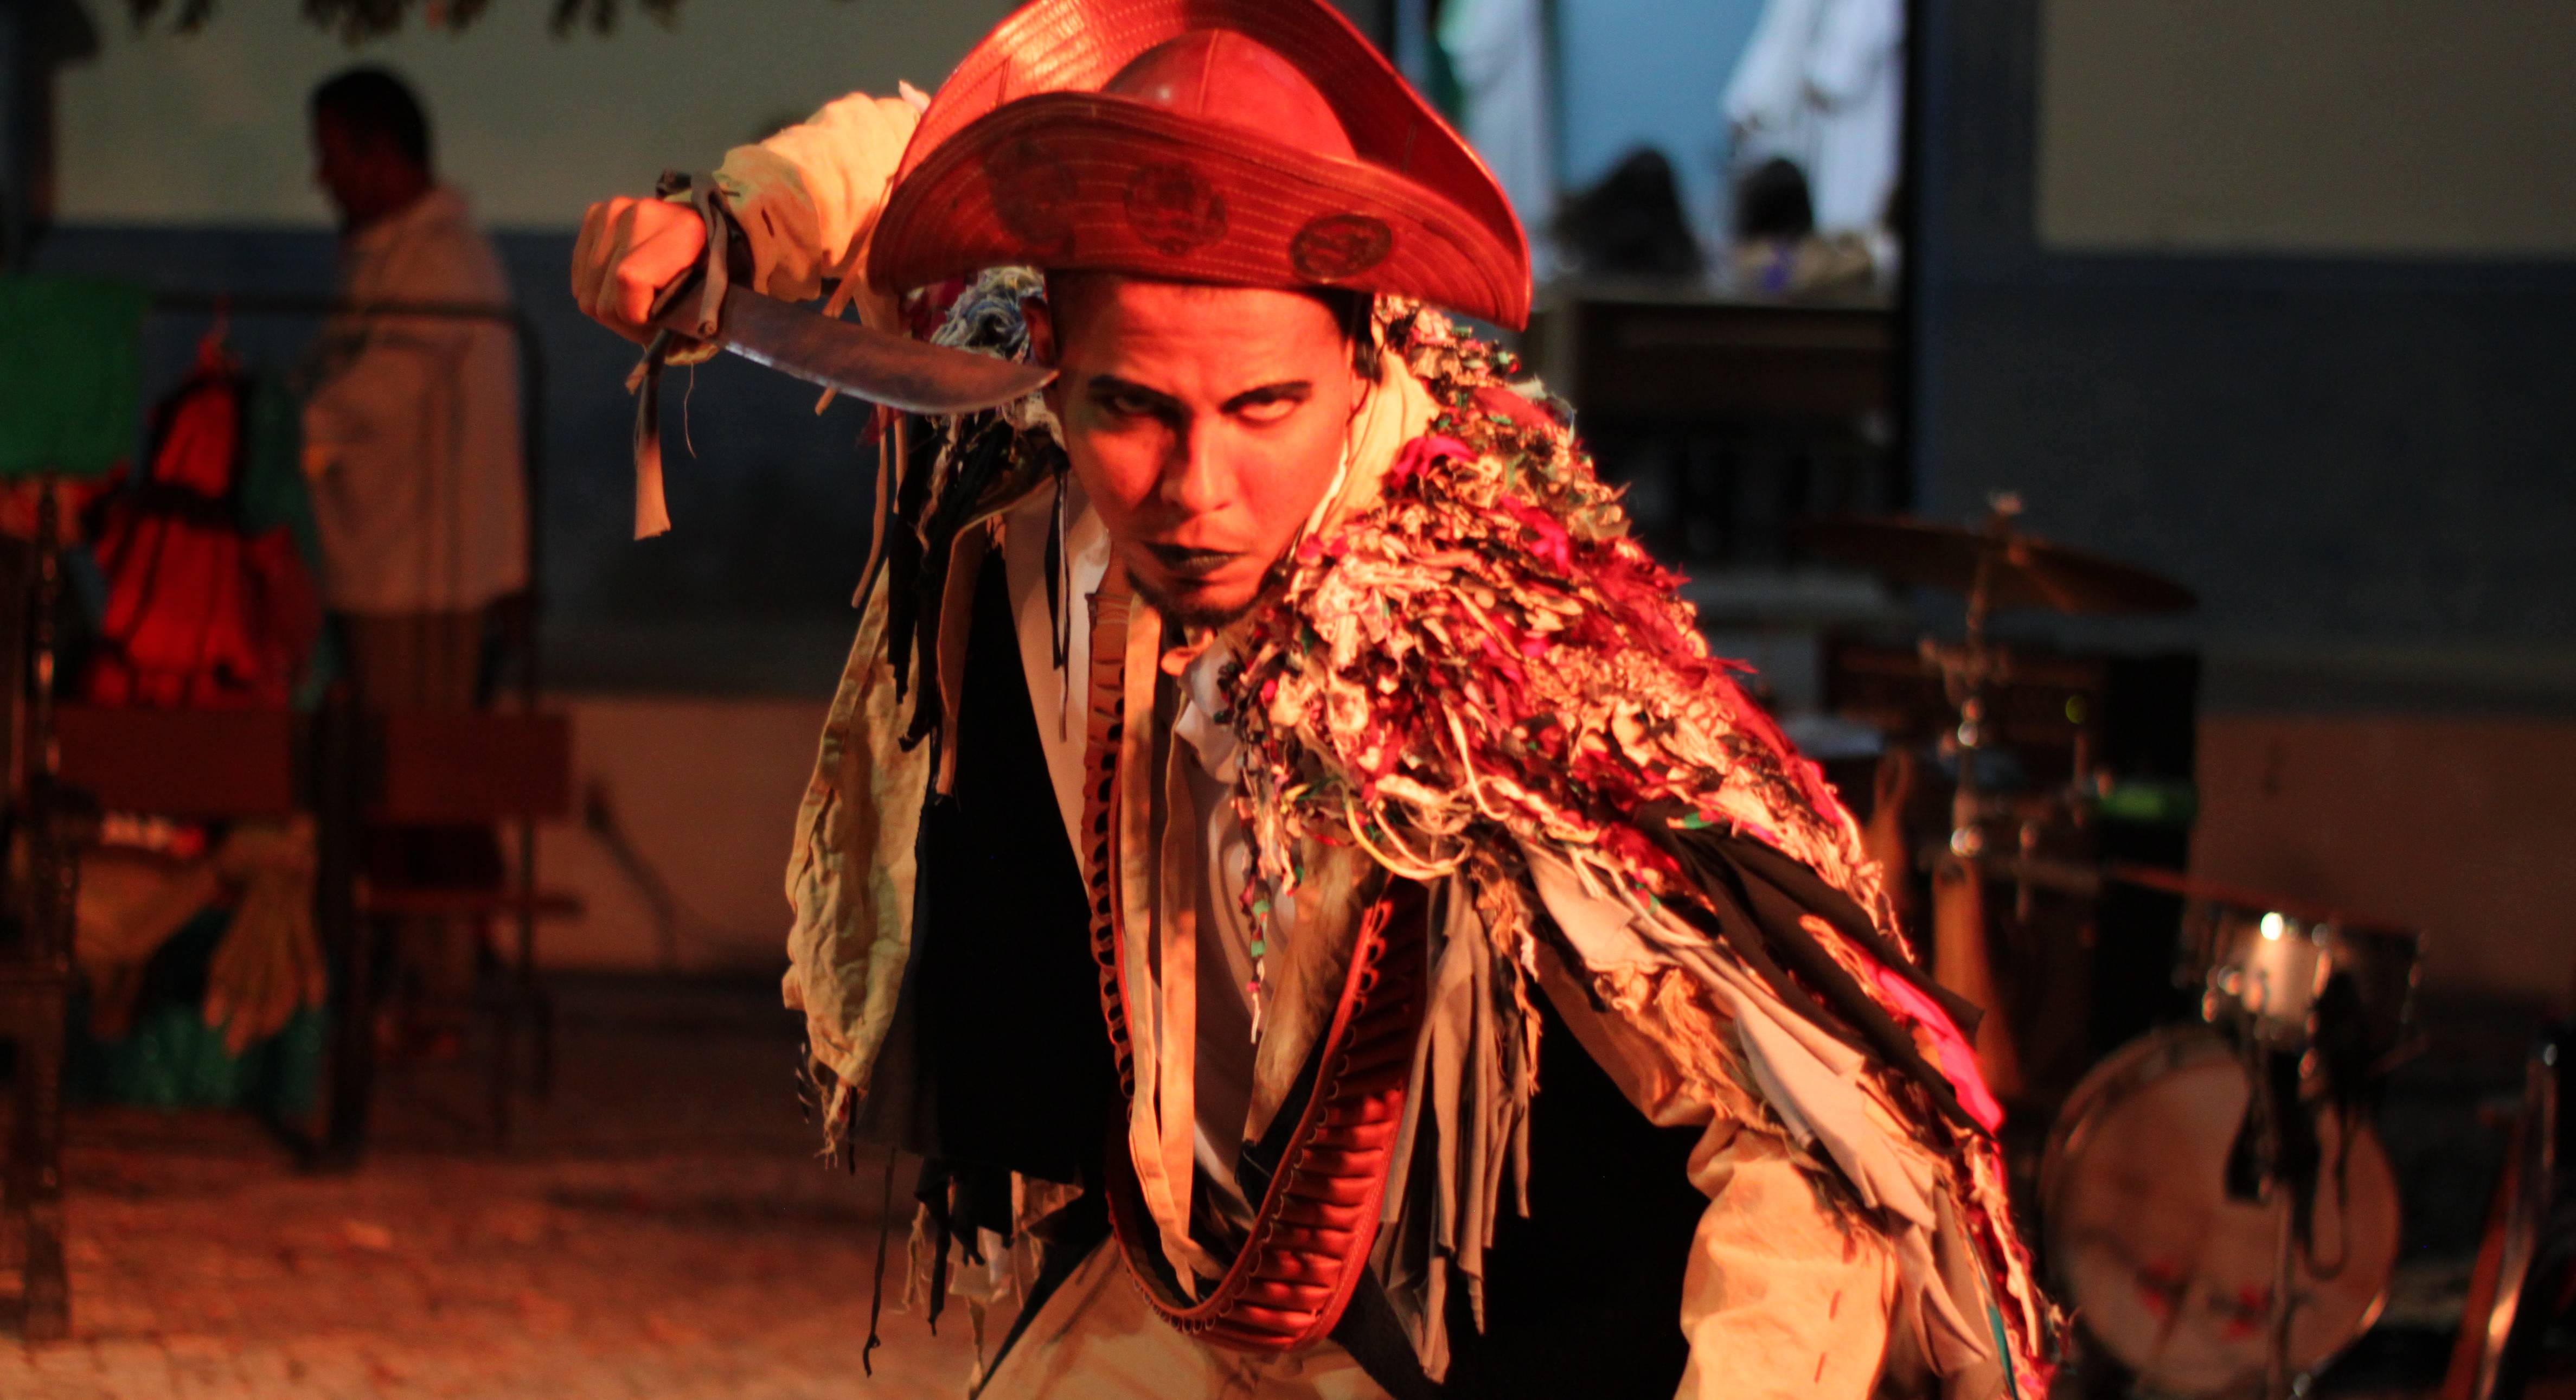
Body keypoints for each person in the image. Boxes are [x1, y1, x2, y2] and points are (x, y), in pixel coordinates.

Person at [571, 3, 2055, 1396]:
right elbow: (926, 157)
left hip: (1484, 1331)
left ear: (1358, 360)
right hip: (1189, 1277)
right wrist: (732, 224)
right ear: (1050, 363)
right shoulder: (1020, 406)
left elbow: (1799, 1142)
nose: (1196, 490)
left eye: (1262, 408)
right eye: (1132, 408)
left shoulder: (1499, 652)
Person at [302, 65, 526, 710]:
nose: (322, 178)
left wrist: (285, 425)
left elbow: (381, 392)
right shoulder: (408, 255)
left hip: (415, 580)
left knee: (409, 753)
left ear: (379, 154)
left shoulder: (435, 263)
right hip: (391, 572)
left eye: (331, 156)